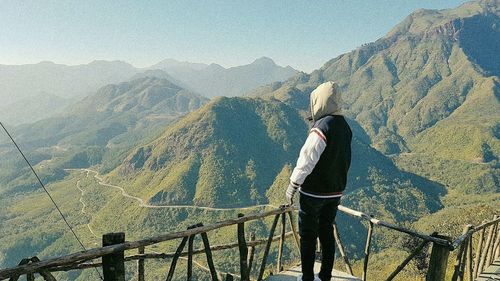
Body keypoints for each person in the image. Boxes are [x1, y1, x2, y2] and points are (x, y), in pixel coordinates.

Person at [286, 81, 352, 281]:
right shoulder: (345, 126)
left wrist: (293, 185)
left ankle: (307, 277)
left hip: (313, 192)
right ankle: (325, 276)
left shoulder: (322, 127)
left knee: (308, 235)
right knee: (326, 231)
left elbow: (307, 159)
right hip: (335, 191)